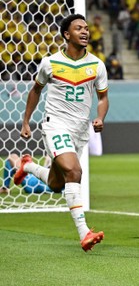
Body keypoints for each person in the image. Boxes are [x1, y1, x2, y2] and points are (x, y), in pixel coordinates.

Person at [14, 14, 109, 252]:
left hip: (79, 129)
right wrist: (26, 121)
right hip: (55, 123)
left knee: (58, 184)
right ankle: (84, 232)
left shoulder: (97, 65)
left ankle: (27, 166)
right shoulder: (50, 63)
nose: (85, 32)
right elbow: (36, 90)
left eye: (86, 28)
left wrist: (100, 117)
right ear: (67, 34)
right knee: (74, 171)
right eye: (79, 28)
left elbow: (103, 97)